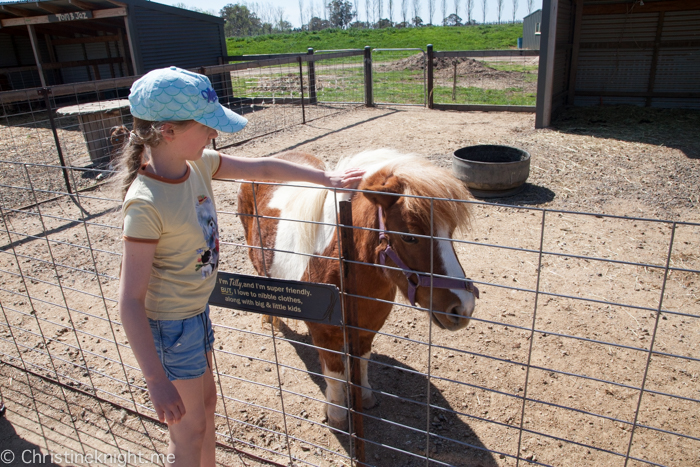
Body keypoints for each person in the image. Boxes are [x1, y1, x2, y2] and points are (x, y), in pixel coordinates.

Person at [117, 66, 364, 467]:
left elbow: (263, 168)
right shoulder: (146, 204)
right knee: (189, 430)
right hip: (169, 328)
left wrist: (326, 178)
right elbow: (129, 300)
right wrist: (155, 380)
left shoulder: (196, 164)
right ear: (168, 132)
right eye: (207, 126)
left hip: (195, 316)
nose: (214, 134)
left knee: (207, 408)